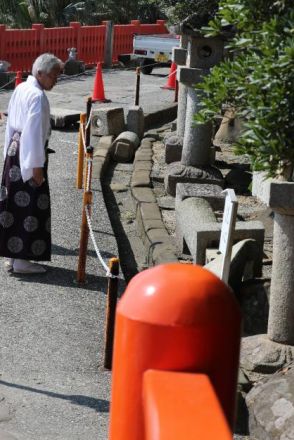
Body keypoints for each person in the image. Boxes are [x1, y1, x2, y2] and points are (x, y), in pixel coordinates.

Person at [0, 53, 63, 274]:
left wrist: (7, 154)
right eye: (54, 75)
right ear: (40, 73)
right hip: (28, 153)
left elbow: (11, 126)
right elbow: (34, 134)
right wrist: (35, 168)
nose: (56, 80)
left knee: (13, 207)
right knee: (30, 206)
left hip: (14, 152)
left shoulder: (21, 88)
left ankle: (11, 256)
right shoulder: (36, 95)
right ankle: (22, 261)